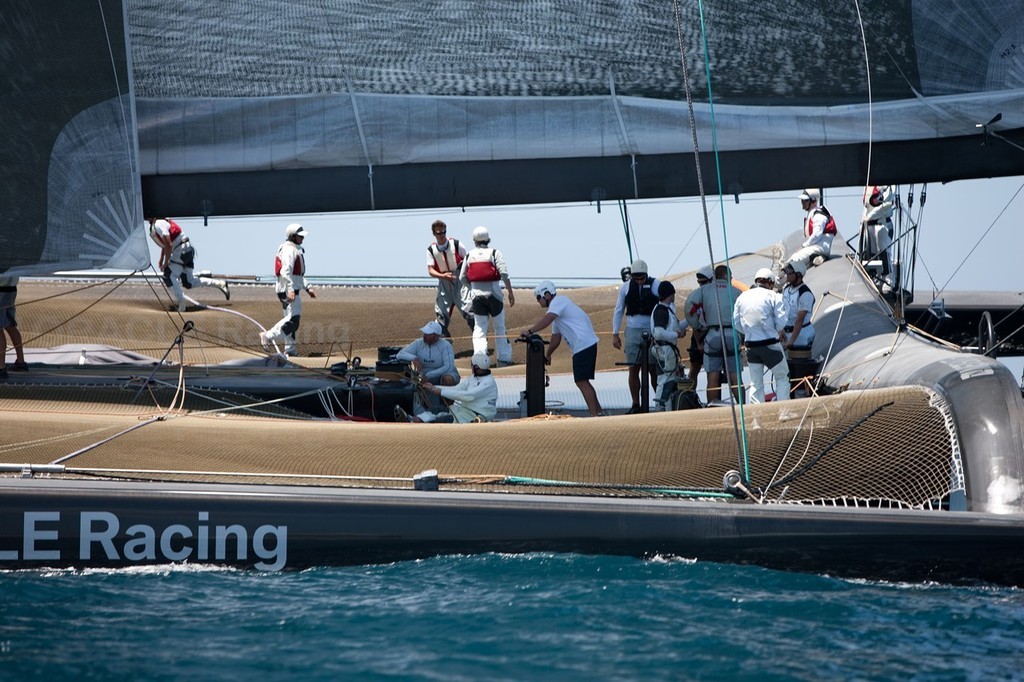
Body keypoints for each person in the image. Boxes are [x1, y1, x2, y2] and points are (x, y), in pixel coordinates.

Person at [520, 281, 603, 417]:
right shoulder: (557, 312)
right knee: (583, 381)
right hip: (584, 344)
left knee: (581, 381)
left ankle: (595, 416)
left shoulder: (559, 301)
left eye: (538, 298)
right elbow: (556, 337)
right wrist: (548, 354)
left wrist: (530, 331)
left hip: (584, 344)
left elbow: (548, 319)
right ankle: (599, 413)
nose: (538, 302)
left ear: (546, 295)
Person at [683, 263, 743, 403]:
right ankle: (742, 407)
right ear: (727, 276)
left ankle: (712, 407)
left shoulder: (704, 291)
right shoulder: (736, 292)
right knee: (735, 375)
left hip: (712, 334)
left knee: (713, 375)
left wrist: (697, 326)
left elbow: (688, 308)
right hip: (732, 334)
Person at [459, 226, 515, 366]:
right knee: (500, 327)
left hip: (477, 297)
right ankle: (504, 358)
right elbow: (504, 273)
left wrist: (472, 288)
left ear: (474, 241)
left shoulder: (469, 255)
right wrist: (510, 292)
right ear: (488, 239)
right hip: (495, 295)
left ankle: (480, 359)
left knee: (479, 328)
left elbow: (462, 277)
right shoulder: (495, 253)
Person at [732, 268, 790, 403]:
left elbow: (736, 323)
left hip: (751, 346)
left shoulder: (743, 297)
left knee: (755, 382)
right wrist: (774, 330)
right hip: (770, 344)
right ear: (770, 283)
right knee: (782, 377)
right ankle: (783, 411)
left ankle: (757, 419)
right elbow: (781, 322)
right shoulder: (773, 296)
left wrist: (749, 332)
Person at [611, 259, 660, 413]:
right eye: (636, 278)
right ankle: (635, 404)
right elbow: (618, 310)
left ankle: (659, 402)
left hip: (652, 328)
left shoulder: (656, 284)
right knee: (633, 368)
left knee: (653, 367)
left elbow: (666, 303)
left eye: (642, 278)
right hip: (632, 330)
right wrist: (615, 333)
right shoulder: (625, 288)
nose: (639, 281)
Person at [148, 218, 230, 312]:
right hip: (187, 250)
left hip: (180, 250)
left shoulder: (158, 223)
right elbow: (166, 243)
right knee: (188, 282)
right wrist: (161, 259)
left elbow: (169, 244)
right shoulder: (163, 222)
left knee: (168, 276)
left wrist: (166, 263)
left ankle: (182, 304)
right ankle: (220, 284)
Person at [394, 351, 498, 423]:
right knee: (437, 410)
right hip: (464, 410)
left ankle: (418, 425)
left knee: (445, 419)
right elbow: (458, 388)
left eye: (471, 365)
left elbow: (468, 396)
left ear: (476, 367)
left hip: (475, 415)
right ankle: (412, 420)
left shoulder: (488, 383)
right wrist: (434, 388)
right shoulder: (474, 378)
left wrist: (440, 392)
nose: (471, 367)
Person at [260, 223, 316, 356]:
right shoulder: (289, 250)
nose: (302, 238)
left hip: (288, 289)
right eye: (300, 236)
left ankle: (290, 350)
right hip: (288, 290)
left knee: (289, 320)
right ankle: (268, 336)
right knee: (293, 320)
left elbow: (297, 275)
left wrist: (308, 287)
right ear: (292, 237)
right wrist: (291, 290)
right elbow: (286, 271)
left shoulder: (294, 249)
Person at [396, 320, 459, 413]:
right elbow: (400, 354)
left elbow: (448, 367)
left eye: (428, 334)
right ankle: (433, 411)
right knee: (426, 389)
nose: (425, 335)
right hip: (426, 377)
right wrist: (414, 358)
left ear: (437, 336)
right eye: (425, 332)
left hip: (446, 373)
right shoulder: (418, 343)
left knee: (447, 379)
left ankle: (450, 409)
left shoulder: (446, 345)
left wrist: (430, 375)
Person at [426, 219, 472, 338]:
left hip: (459, 281)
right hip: (444, 283)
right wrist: (443, 276)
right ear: (434, 234)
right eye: (438, 233)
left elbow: (468, 261)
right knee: (441, 317)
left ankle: (481, 347)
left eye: (443, 232)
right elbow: (430, 270)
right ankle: (445, 343)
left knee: (470, 313)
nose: (441, 235)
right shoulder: (431, 250)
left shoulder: (456, 244)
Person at [649, 280, 686, 411]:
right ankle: (660, 408)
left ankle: (665, 407)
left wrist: (689, 320)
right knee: (665, 379)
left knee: (666, 379)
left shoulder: (664, 310)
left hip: (665, 349)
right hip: (666, 350)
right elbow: (658, 333)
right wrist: (676, 335)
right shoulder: (662, 311)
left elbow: (671, 328)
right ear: (671, 294)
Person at [786, 189, 836, 274]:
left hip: (819, 247)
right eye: (802, 200)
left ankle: (777, 281)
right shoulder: (812, 213)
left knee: (794, 260)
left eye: (805, 200)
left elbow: (817, 234)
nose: (802, 203)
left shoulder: (818, 215)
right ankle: (817, 257)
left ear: (813, 201)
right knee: (794, 259)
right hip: (816, 246)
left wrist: (804, 245)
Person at [859, 185, 895, 285]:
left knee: (884, 252)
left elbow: (886, 204)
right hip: (869, 225)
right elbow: (867, 206)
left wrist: (869, 217)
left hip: (882, 223)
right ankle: (877, 278)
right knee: (872, 253)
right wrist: (863, 221)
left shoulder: (888, 186)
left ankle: (888, 280)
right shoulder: (867, 186)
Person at [683, 265, 713, 386]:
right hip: (699, 334)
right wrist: (699, 342)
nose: (702, 285)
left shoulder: (715, 296)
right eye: (699, 283)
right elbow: (693, 319)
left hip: (712, 333)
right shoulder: (697, 296)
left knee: (712, 370)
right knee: (694, 367)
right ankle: (690, 397)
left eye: (704, 282)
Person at [0, 275, 28, 379]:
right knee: (9, 324)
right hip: (11, 288)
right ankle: (20, 362)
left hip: (1, 289)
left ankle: (1, 368)